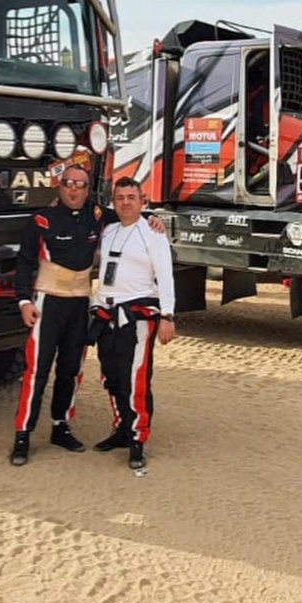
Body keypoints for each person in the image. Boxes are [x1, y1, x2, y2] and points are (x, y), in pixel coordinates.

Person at [9, 164, 105, 466]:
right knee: (37, 371)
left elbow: (130, 216)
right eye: (68, 183)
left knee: (71, 370)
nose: (74, 189)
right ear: (59, 186)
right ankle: (23, 434)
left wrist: (151, 218)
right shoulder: (41, 220)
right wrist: (24, 301)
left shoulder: (98, 216)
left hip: (79, 304)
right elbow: (24, 262)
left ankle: (60, 426)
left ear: (88, 190)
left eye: (81, 184)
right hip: (47, 304)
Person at [90, 176, 176, 470]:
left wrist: (167, 315)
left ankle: (138, 438)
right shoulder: (108, 231)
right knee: (111, 375)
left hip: (138, 314)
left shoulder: (152, 234)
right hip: (106, 314)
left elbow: (165, 275)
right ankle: (122, 429)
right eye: (120, 198)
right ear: (114, 203)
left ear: (143, 201)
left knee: (135, 378)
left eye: (131, 197)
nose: (126, 202)